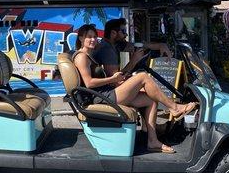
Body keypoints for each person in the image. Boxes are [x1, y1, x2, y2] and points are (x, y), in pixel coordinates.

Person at [73, 24, 197, 154]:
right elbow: (89, 83)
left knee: (150, 100)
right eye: (89, 37)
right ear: (81, 38)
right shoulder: (82, 57)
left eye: (95, 37)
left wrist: (159, 46)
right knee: (143, 77)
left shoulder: (90, 54)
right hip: (101, 97)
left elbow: (135, 45)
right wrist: (113, 79)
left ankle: (152, 141)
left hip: (106, 93)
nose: (93, 40)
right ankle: (174, 108)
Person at [94, 18, 172, 78]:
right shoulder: (107, 49)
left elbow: (138, 45)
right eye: (123, 31)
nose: (126, 35)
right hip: (106, 93)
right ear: (113, 33)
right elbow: (115, 80)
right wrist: (134, 61)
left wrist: (160, 45)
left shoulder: (116, 44)